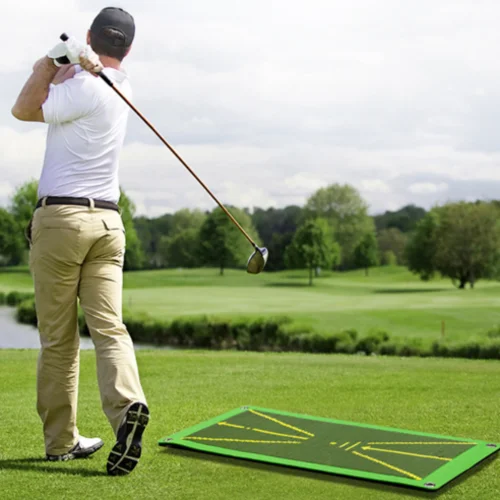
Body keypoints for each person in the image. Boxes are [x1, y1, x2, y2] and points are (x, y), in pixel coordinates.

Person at [11, 7, 149, 476]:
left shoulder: (84, 86)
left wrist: (52, 58)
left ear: (91, 36)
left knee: (58, 340)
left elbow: (24, 107)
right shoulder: (121, 87)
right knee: (110, 328)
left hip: (61, 219)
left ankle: (61, 442)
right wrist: (77, 61)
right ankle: (129, 406)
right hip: (108, 226)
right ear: (127, 48)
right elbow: (77, 79)